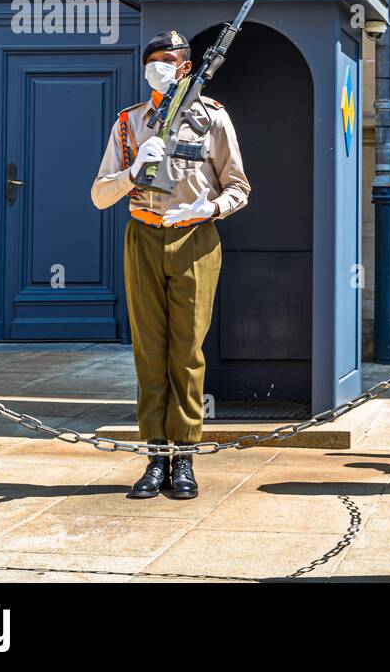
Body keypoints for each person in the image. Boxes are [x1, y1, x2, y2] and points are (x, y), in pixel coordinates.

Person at [90, 30, 251, 499]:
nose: (157, 67)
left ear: (185, 67)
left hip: (195, 240)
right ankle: (155, 455)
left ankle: (185, 458)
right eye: (152, 60)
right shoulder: (129, 124)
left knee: (186, 352)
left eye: (167, 60)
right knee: (148, 351)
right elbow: (100, 196)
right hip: (142, 235)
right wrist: (132, 171)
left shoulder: (213, 119)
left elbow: (238, 186)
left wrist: (209, 209)